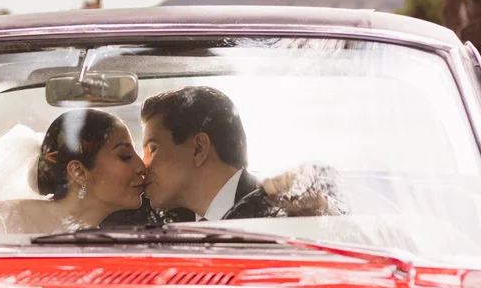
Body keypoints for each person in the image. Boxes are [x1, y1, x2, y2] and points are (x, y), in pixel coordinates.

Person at [100, 85, 347, 228]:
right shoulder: (157, 217)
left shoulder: (289, 207)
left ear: (198, 149)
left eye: (152, 149)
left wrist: (320, 209)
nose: (143, 166)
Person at [0, 109, 147, 234]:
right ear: (79, 172)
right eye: (125, 156)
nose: (142, 167)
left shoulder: (103, 245)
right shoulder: (2, 220)